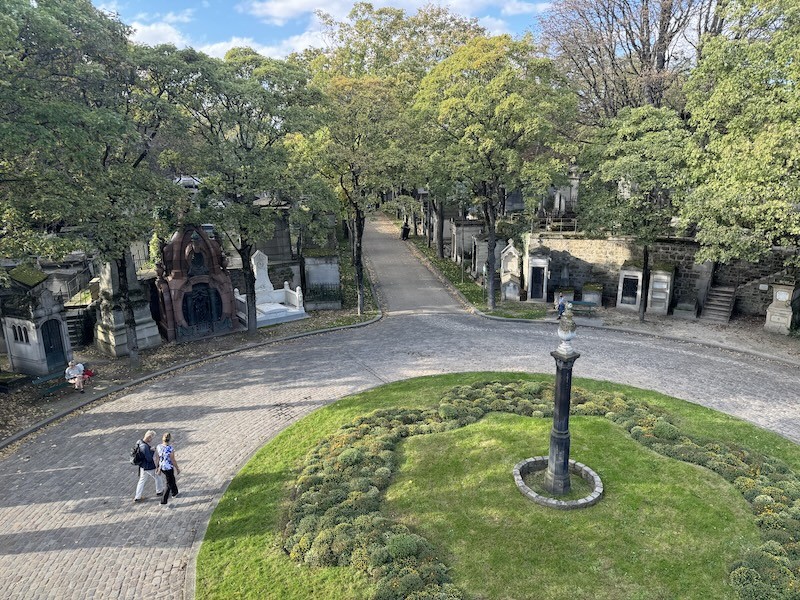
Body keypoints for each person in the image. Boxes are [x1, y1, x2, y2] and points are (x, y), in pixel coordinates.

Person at [133, 430, 163, 503]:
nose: (151, 440)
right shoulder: (145, 446)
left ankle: (137, 497)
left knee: (142, 480)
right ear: (149, 437)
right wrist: (152, 450)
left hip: (142, 466)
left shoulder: (139, 442)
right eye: (151, 438)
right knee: (157, 476)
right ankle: (160, 491)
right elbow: (149, 458)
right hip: (148, 466)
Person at [156, 432, 181, 505]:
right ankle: (163, 500)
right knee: (168, 483)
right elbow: (172, 460)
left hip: (162, 466)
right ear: (170, 439)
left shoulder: (159, 446)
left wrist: (157, 467)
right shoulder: (170, 448)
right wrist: (177, 468)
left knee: (172, 478)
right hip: (168, 467)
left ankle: (175, 492)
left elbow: (158, 457)